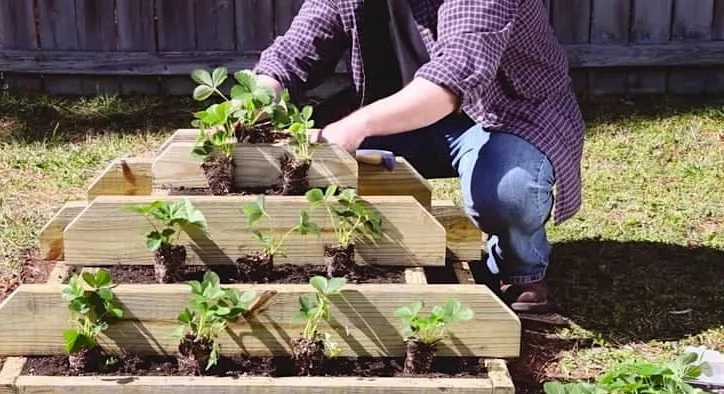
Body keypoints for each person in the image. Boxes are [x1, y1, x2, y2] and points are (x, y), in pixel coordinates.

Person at [251, 0, 585, 314]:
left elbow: (454, 77)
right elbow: (295, 51)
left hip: (505, 113)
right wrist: (256, 98)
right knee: (305, 158)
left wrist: (354, 127)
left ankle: (521, 269)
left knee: (507, 189)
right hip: (405, 118)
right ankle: (349, 254)